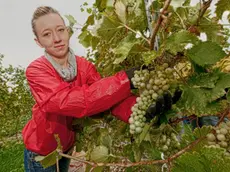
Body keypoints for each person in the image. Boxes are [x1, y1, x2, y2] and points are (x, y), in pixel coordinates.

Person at [22, 6, 173, 172]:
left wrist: (138, 109)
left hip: (65, 149)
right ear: (38, 42)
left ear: (67, 31)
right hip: (41, 151)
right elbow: (68, 101)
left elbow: (106, 98)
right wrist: (124, 80)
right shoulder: (36, 70)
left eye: (60, 30)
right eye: (46, 34)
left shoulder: (84, 66)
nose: (57, 38)